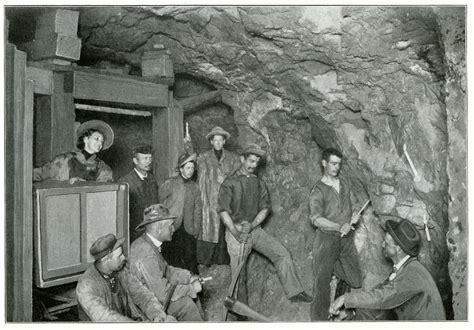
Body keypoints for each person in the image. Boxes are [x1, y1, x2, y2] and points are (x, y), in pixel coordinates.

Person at [218, 143, 312, 310]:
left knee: (282, 254)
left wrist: (253, 224)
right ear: (242, 159)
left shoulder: (259, 183)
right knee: (239, 275)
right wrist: (235, 231)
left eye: (256, 162)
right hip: (236, 232)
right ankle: (241, 312)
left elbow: (265, 209)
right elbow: (223, 211)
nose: (253, 165)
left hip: (255, 231)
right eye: (251, 161)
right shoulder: (229, 182)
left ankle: (295, 292)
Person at [329, 218, 446, 320]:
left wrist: (346, 299)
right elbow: (381, 289)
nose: (383, 244)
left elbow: (384, 296)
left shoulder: (413, 273)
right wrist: (352, 311)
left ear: (398, 249)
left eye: (386, 242)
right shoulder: (405, 266)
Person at [308, 147, 363, 320]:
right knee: (321, 284)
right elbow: (316, 219)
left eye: (339, 164)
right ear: (324, 163)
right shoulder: (318, 190)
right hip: (326, 240)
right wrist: (339, 227)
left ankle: (340, 300)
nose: (336, 167)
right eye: (333, 163)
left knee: (355, 279)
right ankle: (320, 320)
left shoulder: (344, 183)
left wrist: (355, 214)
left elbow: (352, 204)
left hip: (346, 240)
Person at [76, 233, 176, 322]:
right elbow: (106, 318)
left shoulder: (121, 271)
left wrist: (156, 313)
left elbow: (141, 294)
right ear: (106, 260)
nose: (124, 258)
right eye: (119, 256)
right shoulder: (86, 285)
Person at [130, 204, 204, 321]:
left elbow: (166, 270)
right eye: (171, 226)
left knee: (192, 297)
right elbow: (162, 294)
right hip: (147, 307)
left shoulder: (147, 242)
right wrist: (190, 289)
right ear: (158, 229)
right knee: (187, 304)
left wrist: (188, 276)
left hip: (154, 295)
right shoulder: (146, 254)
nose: (173, 229)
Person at [185, 126, 240, 266]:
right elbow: (192, 160)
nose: (217, 142)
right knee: (207, 234)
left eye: (220, 140)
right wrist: (188, 145)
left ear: (224, 141)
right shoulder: (203, 158)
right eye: (215, 140)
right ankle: (205, 265)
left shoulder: (232, 158)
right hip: (208, 202)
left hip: (225, 202)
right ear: (211, 142)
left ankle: (222, 266)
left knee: (223, 234)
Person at [159, 152, 202, 274]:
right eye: (188, 168)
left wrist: (196, 229)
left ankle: (194, 291)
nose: (191, 171)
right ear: (180, 169)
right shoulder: (169, 184)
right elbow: (160, 204)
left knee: (190, 262)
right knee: (171, 261)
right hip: (171, 228)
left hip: (188, 229)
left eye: (192, 168)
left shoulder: (194, 187)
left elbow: (198, 210)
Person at [33, 120, 114, 183]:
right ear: (86, 139)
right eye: (96, 139)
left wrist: (85, 185)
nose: (99, 143)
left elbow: (105, 189)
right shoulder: (64, 159)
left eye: (101, 141)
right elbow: (40, 174)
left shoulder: (102, 168)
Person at [119, 144, 159, 242]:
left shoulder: (152, 179)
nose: (149, 161)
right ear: (135, 161)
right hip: (135, 233)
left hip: (152, 231)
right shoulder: (125, 182)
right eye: (145, 158)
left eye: (150, 158)